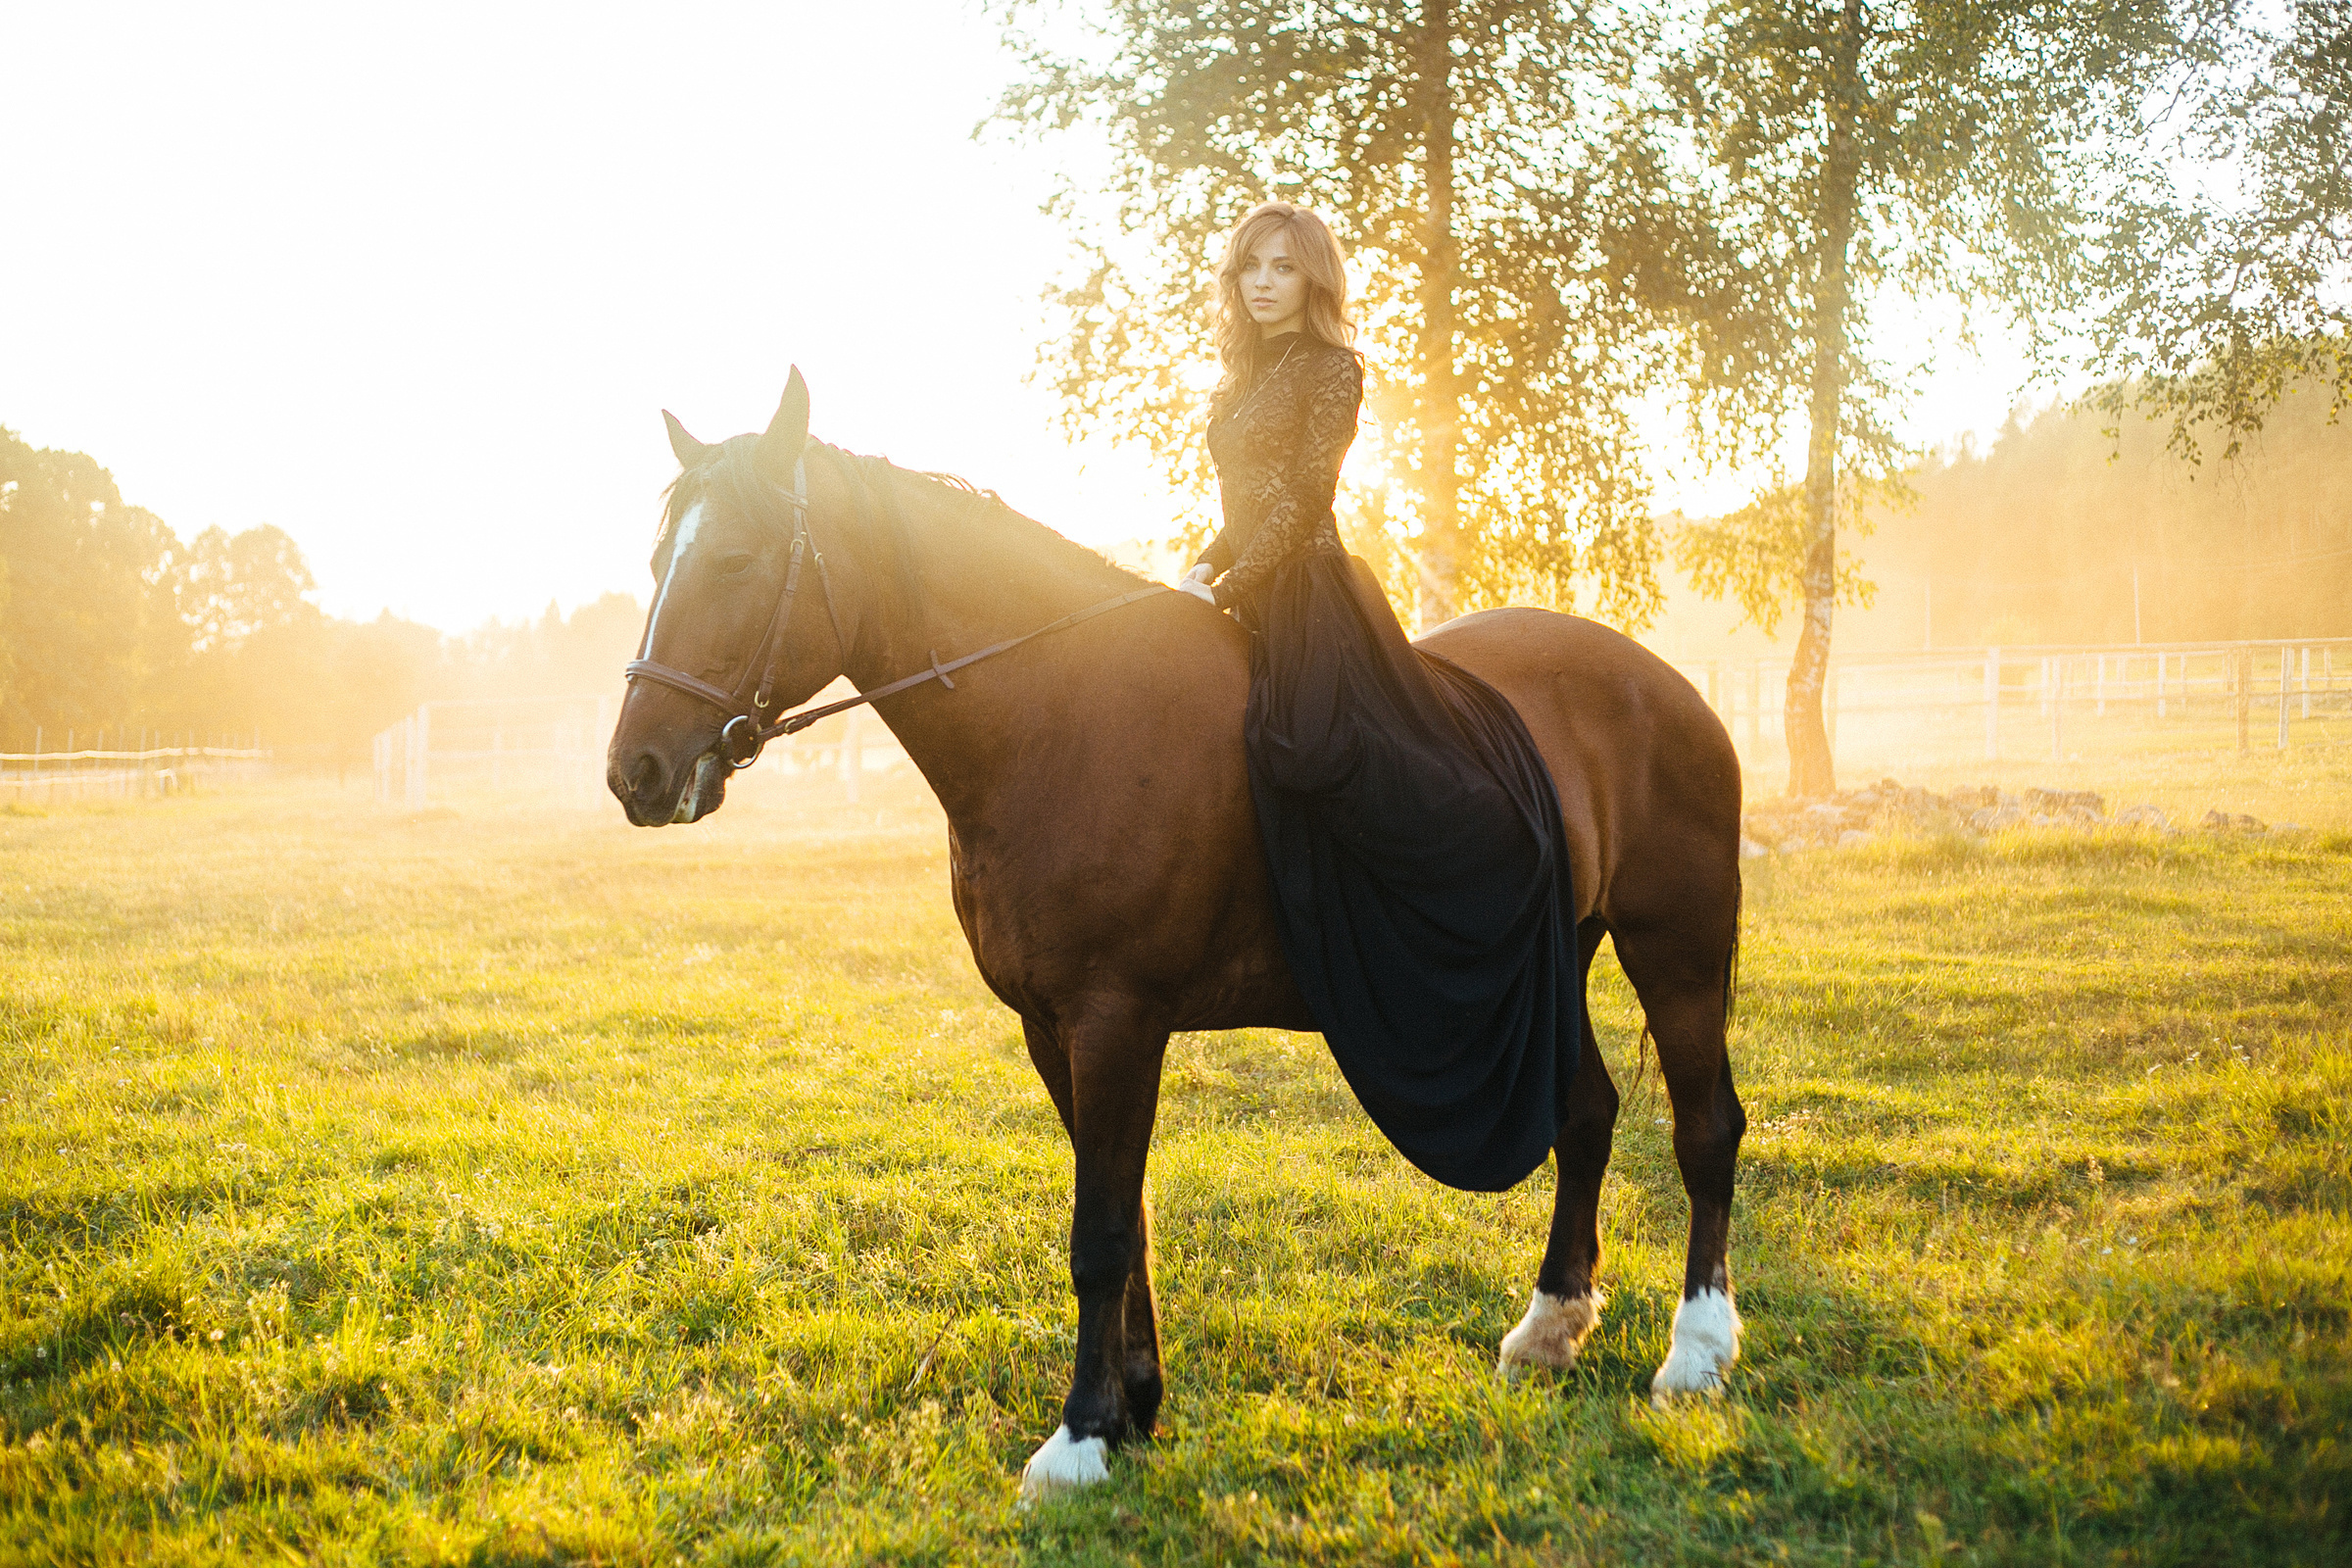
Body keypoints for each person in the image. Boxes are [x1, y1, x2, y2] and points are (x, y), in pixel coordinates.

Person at [1176, 200, 1582, 1195]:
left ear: (1314, 279)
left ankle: (1438, 895)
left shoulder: (1332, 369)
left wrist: (1232, 583)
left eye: (1283, 266)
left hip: (1310, 594)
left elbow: (1302, 497)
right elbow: (1242, 505)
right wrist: (1197, 567)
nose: (1262, 282)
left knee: (1310, 746)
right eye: (1249, 266)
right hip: (1245, 584)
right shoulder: (1239, 379)